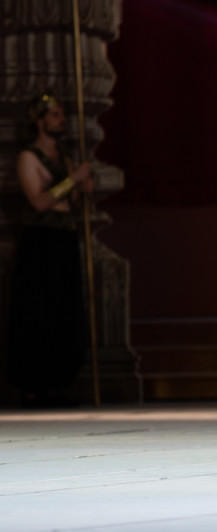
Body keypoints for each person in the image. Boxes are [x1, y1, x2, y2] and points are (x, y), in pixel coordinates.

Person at [7, 92, 93, 407]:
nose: (61, 120)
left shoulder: (63, 157)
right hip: (40, 242)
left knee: (63, 310)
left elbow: (69, 204)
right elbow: (39, 201)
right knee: (38, 311)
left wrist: (82, 189)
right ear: (40, 121)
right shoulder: (29, 157)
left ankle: (58, 383)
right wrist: (73, 180)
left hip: (64, 239)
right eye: (55, 115)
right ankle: (33, 387)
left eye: (61, 114)